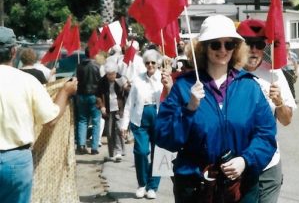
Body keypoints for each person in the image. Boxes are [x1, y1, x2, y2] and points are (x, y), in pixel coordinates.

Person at [155, 14, 277, 203]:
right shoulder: (183, 86)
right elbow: (164, 137)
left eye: (229, 44)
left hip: (241, 188)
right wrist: (189, 110)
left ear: (236, 48)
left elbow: (266, 135)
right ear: (203, 47)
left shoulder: (250, 87)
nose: (222, 50)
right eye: (215, 44)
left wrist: (245, 160)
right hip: (196, 188)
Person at [0, 26, 78, 203]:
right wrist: (65, 92)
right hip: (16, 163)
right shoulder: (27, 81)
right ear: (14, 51)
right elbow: (50, 119)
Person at [236, 19, 297, 203]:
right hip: (238, 163)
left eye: (259, 44)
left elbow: (286, 120)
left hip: (269, 165)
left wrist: (279, 102)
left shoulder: (275, 74)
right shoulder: (229, 72)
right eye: (249, 43)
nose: (254, 50)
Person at [120, 49, 164, 199]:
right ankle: (142, 184)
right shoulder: (138, 79)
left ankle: (153, 186)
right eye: (147, 62)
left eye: (153, 62)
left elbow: (170, 98)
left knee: (160, 152)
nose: (150, 65)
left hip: (159, 118)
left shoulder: (163, 78)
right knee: (140, 151)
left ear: (158, 63)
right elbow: (130, 102)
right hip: (140, 118)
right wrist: (124, 124)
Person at [96, 59, 126, 162]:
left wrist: (125, 86)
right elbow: (98, 95)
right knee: (109, 132)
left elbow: (128, 91)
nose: (111, 76)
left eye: (113, 74)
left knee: (118, 129)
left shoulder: (120, 78)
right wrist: (101, 106)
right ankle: (112, 153)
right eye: (109, 74)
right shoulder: (102, 81)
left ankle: (119, 152)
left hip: (119, 108)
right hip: (108, 109)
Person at [75, 47, 102, 155]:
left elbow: (77, 79)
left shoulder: (79, 66)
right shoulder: (98, 66)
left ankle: (81, 145)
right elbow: (101, 81)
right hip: (94, 96)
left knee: (82, 120)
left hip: (81, 95)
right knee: (96, 121)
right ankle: (94, 147)